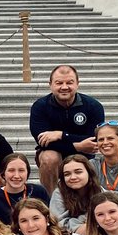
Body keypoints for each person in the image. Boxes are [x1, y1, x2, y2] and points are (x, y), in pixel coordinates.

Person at [30, 64, 105, 193]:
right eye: (59, 83)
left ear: (77, 84)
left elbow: (94, 140)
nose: (64, 87)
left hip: (85, 156)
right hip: (53, 154)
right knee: (49, 157)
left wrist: (61, 135)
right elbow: (44, 142)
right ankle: (51, 202)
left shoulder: (93, 106)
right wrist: (78, 145)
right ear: (50, 84)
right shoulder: (40, 107)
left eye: (69, 82)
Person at [0, 152, 50, 225]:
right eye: (11, 170)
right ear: (3, 174)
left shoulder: (39, 191)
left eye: (21, 170)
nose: (16, 175)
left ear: (27, 173)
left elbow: (49, 219)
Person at [51, 154, 102, 235]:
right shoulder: (59, 193)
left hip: (98, 228)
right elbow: (57, 223)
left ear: (89, 172)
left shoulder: (98, 190)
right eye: (67, 174)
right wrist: (85, 219)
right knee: (86, 229)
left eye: (78, 172)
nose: (73, 177)